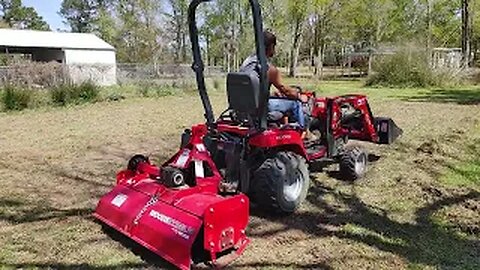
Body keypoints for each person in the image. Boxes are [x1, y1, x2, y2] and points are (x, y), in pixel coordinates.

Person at [239, 30, 308, 129]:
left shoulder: (247, 62)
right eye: (274, 47)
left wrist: (271, 95)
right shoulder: (268, 68)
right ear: (271, 46)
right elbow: (285, 90)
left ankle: (282, 126)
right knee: (295, 104)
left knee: (277, 102)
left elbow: (252, 89)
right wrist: (299, 96)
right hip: (260, 110)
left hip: (243, 110)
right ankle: (305, 132)